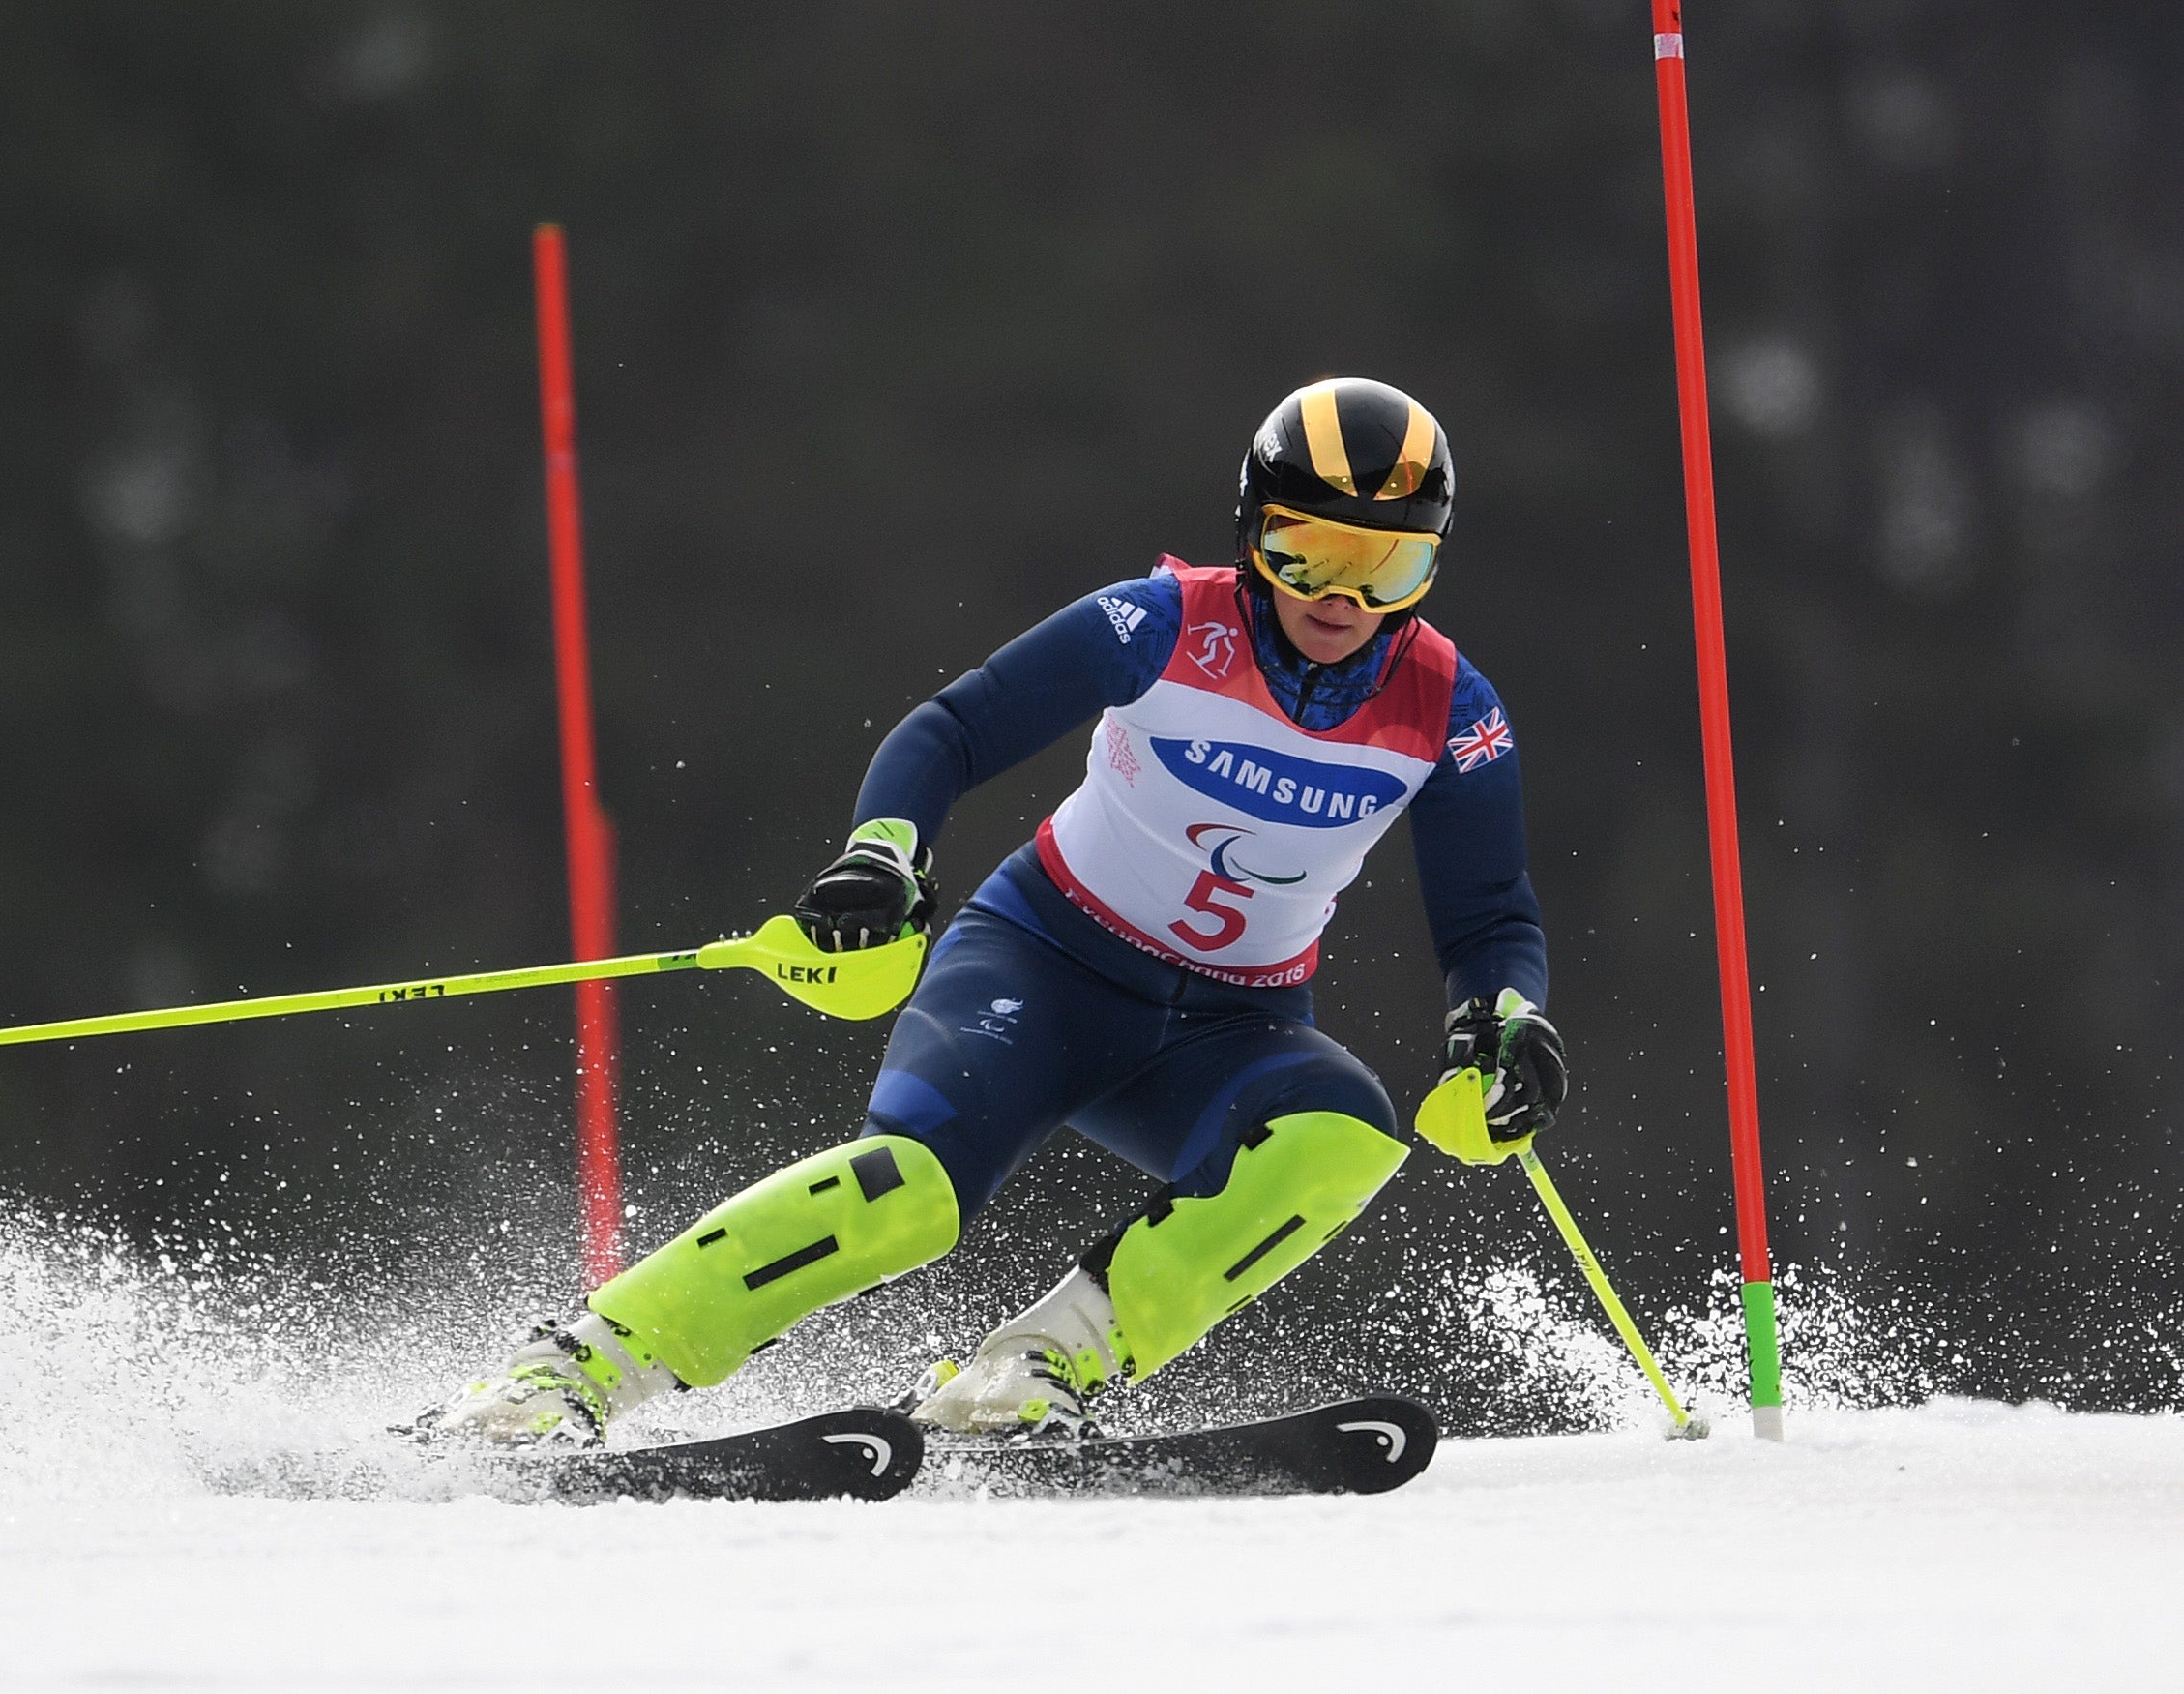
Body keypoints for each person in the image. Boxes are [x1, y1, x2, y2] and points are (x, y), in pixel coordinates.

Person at [419, 377, 1567, 1444]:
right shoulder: (1165, 622)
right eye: (1304, 549)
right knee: (909, 1193)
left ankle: (1030, 1371)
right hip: (1044, 966)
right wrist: (882, 858)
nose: (1341, 598)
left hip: (1230, 1027)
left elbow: (1489, 918)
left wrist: (1509, 1019)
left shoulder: (1451, 711)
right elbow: (950, 732)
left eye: (1388, 566)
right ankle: (574, 1367)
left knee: (1342, 1136)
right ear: (1250, 532)